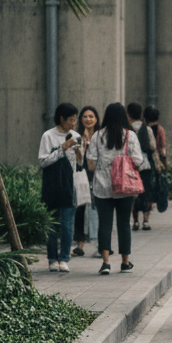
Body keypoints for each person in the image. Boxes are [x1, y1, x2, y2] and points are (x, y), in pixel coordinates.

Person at [86, 102, 144, 275]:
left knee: (104, 224)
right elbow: (139, 161)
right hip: (124, 188)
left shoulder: (97, 136)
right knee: (124, 224)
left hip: (102, 187)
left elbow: (90, 164)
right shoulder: (130, 135)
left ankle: (105, 263)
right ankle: (125, 263)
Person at [37, 102, 81, 272]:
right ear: (61, 119)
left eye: (75, 120)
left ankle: (64, 258)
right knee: (52, 223)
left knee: (67, 224)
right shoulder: (48, 136)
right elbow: (42, 161)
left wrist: (79, 151)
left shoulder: (75, 135)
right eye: (71, 119)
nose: (73, 123)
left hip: (70, 186)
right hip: (51, 186)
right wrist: (62, 148)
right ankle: (51, 259)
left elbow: (80, 164)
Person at [128, 101, 162, 231]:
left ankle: (135, 221)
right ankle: (146, 221)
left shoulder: (128, 129)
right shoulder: (146, 129)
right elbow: (153, 147)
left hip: (131, 167)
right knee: (146, 193)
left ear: (128, 114)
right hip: (145, 165)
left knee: (133, 194)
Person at [72, 105, 99, 257]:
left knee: (97, 209)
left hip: (97, 176)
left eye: (91, 116)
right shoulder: (77, 136)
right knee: (80, 209)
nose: (88, 119)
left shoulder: (100, 136)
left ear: (96, 119)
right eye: (85, 117)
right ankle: (80, 243)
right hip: (81, 176)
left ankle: (100, 243)